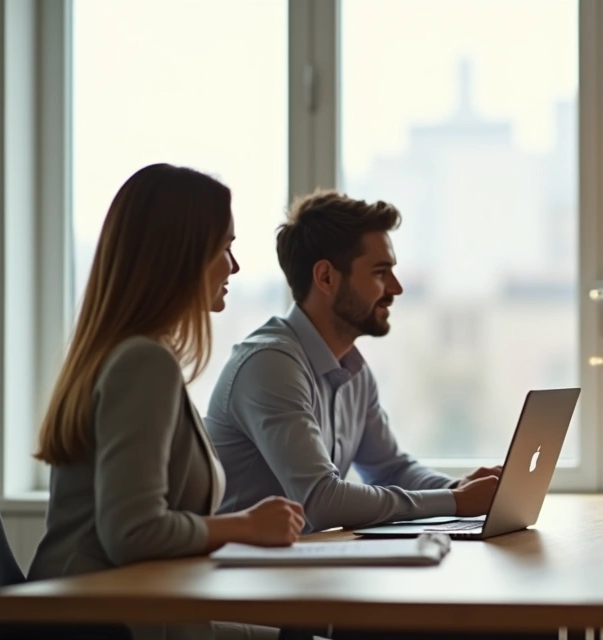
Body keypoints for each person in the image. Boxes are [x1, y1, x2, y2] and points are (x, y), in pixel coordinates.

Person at [29, 163, 306, 640]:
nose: (234, 267)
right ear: (182, 256)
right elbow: (133, 532)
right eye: (226, 248)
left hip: (135, 611)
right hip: (110, 622)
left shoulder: (130, 355)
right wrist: (246, 526)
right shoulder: (143, 363)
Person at [205, 190, 499, 533]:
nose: (396, 287)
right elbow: (321, 501)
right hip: (239, 577)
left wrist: (457, 489)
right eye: (380, 272)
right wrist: (457, 503)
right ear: (326, 277)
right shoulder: (270, 364)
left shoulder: (353, 370)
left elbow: (390, 469)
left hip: (297, 568)